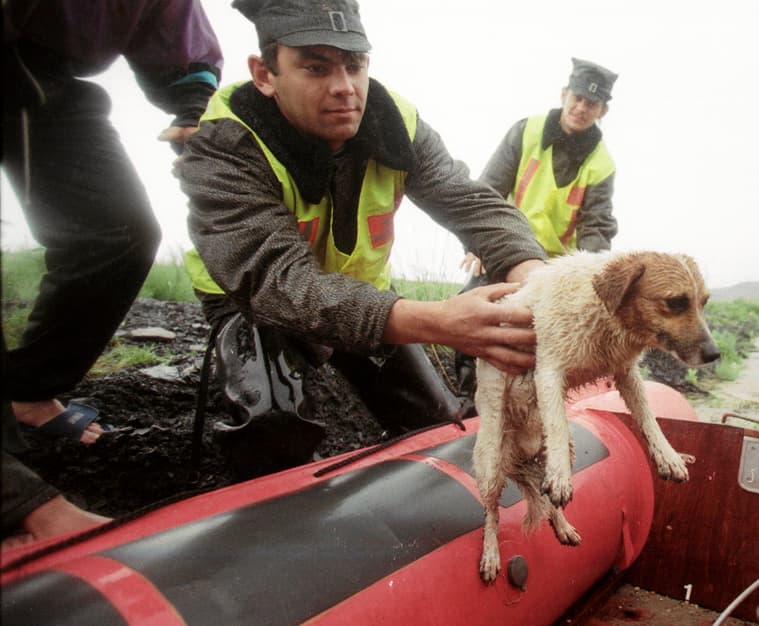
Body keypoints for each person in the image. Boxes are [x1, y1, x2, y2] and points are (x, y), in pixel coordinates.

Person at [178, 0, 548, 476]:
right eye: (315, 67)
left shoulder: (398, 123)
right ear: (264, 74)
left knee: (438, 425)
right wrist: (436, 321)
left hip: (365, 298)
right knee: (271, 430)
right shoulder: (226, 144)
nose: (344, 88)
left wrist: (535, 274)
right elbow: (277, 284)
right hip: (255, 302)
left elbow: (472, 203)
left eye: (355, 66)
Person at [2, 0, 222, 546]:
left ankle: (27, 391)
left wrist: (193, 104)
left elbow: (173, 25)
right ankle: (13, 505)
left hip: (47, 75)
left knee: (119, 233)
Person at [460, 57, 619, 279]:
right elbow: (489, 192)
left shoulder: (602, 164)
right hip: (507, 252)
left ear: (603, 111)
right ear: (564, 94)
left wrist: (585, 278)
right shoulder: (526, 131)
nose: (581, 108)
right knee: (467, 308)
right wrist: (477, 246)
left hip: (557, 272)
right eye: (577, 98)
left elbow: (596, 229)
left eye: (591, 104)